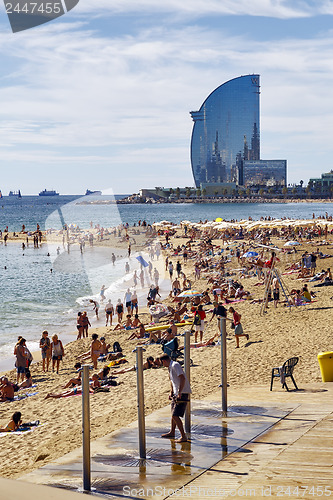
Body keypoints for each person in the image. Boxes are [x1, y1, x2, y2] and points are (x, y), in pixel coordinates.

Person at [160, 354, 191, 443]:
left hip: (182, 393)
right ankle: (172, 432)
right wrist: (171, 392)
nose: (162, 365)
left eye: (162, 363)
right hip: (176, 393)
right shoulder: (170, 367)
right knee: (173, 414)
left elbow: (182, 378)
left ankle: (183, 436)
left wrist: (180, 392)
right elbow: (172, 381)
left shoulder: (175, 365)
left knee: (175, 415)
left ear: (164, 361)